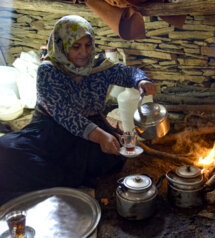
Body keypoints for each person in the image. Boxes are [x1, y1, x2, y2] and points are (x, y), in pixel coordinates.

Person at [0, 15, 156, 205]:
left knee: (114, 157)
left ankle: (60, 181)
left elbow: (128, 72)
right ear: (62, 45)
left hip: (89, 131)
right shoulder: (49, 71)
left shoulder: (98, 67)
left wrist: (141, 80)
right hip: (49, 133)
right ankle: (65, 182)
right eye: (76, 47)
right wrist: (101, 136)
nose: (84, 52)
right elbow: (65, 115)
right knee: (5, 151)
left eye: (88, 45)